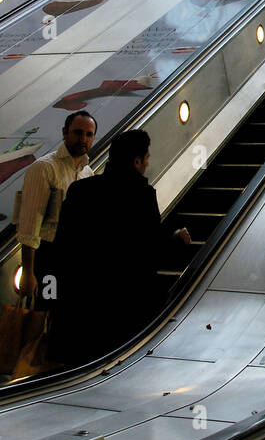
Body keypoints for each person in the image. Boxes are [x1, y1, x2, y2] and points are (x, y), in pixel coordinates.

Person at [50, 128, 191, 366]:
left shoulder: (80, 190)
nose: (147, 164)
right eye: (146, 159)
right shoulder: (141, 196)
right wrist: (177, 239)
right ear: (136, 161)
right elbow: (151, 251)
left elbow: (62, 244)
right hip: (125, 308)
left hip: (80, 307)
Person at [14, 110, 96, 302]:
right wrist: (28, 272)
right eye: (78, 132)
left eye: (89, 134)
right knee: (48, 309)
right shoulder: (44, 168)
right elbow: (30, 221)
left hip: (76, 257)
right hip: (49, 256)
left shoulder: (87, 173)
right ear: (65, 133)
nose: (83, 139)